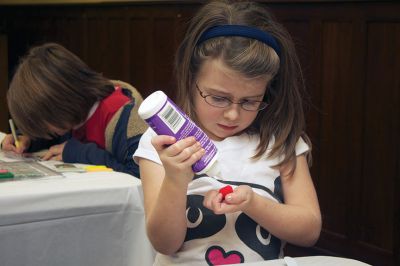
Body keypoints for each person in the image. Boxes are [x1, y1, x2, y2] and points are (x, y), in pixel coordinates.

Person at [133, 0, 321, 264]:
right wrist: (176, 179)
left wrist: (252, 203)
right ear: (190, 80)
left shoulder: (280, 143)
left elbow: (309, 230)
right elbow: (165, 243)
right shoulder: (162, 143)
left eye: (250, 101)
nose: (233, 114)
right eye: (218, 98)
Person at [1, 42, 147, 177]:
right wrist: (27, 139)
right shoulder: (73, 115)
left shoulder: (122, 116)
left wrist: (79, 153)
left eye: (44, 125)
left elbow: (139, 177)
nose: (47, 132)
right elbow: (57, 136)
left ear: (61, 105)